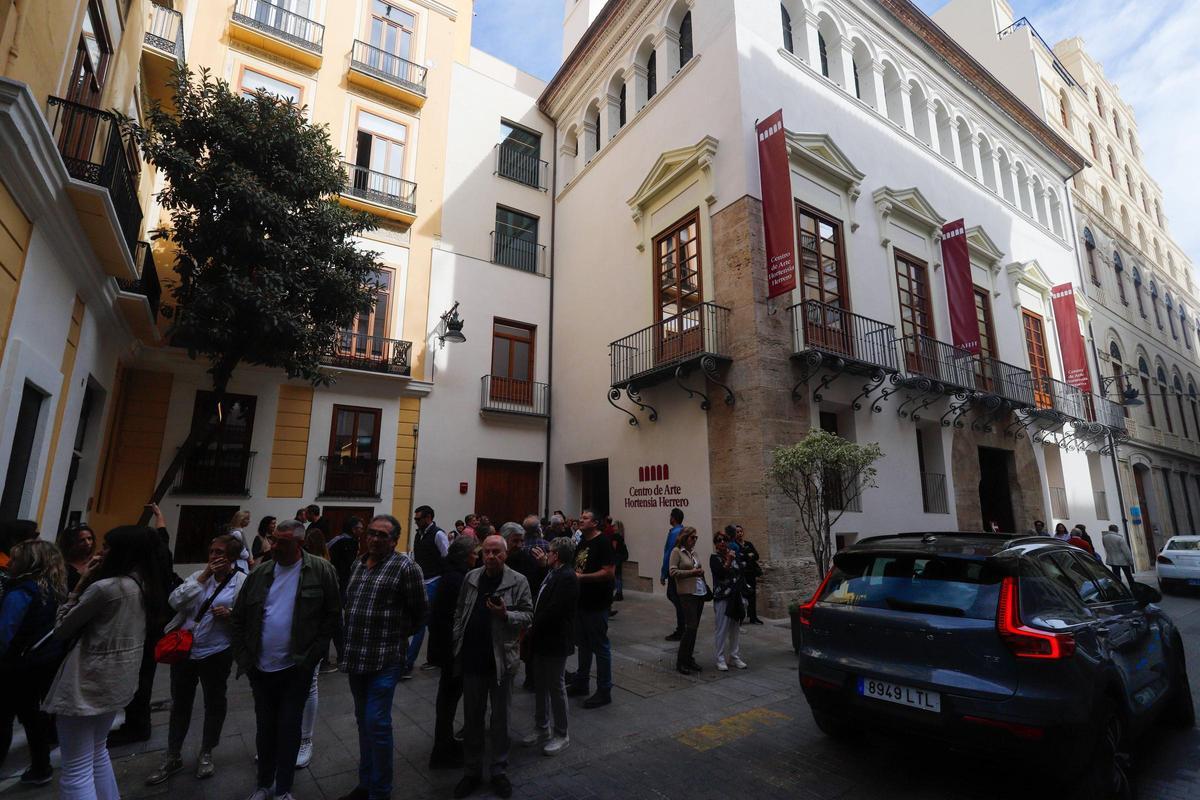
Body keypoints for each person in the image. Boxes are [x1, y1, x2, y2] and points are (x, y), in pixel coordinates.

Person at [44, 525, 167, 800]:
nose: (100, 551)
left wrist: (79, 585)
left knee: (75, 769)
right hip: (117, 680)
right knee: (98, 752)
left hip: (85, 682)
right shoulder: (145, 586)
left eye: (107, 546)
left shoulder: (106, 588)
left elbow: (62, 628)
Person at [231, 518, 340, 800]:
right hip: (260, 667)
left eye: (282, 542)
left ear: (300, 544)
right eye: (274, 539)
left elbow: (331, 616)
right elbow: (240, 617)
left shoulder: (321, 570)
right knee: (265, 727)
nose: (274, 546)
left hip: (296, 666)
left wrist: (313, 655)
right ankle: (263, 784)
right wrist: (245, 657)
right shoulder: (261, 572)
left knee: (289, 726)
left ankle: (283, 789)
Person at [338, 515, 428, 800]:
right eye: (372, 533)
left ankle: (380, 791)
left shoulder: (406, 567)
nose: (375, 539)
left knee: (377, 722)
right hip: (356, 658)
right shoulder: (358, 564)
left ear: (394, 541)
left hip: (385, 658)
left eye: (382, 536)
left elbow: (420, 613)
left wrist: (396, 636)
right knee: (364, 722)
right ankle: (365, 784)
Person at [146, 534, 247, 786]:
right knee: (180, 703)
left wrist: (231, 614)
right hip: (185, 651)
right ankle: (173, 754)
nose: (214, 557)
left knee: (214, 702)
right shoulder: (197, 577)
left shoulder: (242, 582)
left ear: (232, 557)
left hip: (217, 651)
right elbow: (175, 601)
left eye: (220, 552)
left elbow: (248, 615)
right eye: (212, 551)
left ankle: (207, 751)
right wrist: (202, 578)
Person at [451, 535, 533, 799]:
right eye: (486, 551)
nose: (491, 556)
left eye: (496, 552)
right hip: (473, 659)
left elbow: (529, 615)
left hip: (501, 661)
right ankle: (472, 771)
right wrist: (457, 637)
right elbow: (460, 609)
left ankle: (498, 770)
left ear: (505, 554)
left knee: (501, 720)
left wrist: (505, 615)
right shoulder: (471, 578)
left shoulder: (518, 581)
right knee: (472, 719)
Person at [0, 540, 67, 786]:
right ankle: (41, 765)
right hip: (39, 661)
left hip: (14, 665)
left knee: (5, 716)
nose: (9, 563)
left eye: (15, 559)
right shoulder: (51, 588)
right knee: (31, 715)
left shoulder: (20, 592)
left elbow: (4, 633)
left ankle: (40, 766)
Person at [109, 503, 175, 747]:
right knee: (143, 678)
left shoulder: (129, 579)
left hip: (138, 632)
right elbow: (163, 536)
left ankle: (137, 725)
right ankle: (137, 722)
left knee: (138, 680)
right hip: (154, 628)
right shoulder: (161, 558)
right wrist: (159, 515)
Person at [523, 536, 579, 756]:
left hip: (555, 638)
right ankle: (541, 726)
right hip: (541, 637)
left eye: (550, 551)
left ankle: (562, 733)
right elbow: (541, 597)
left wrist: (532, 625)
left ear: (556, 555)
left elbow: (555, 610)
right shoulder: (553, 572)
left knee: (556, 685)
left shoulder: (567, 577)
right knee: (540, 683)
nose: (547, 553)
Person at [428, 537, 477, 770]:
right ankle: (442, 748)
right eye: (474, 554)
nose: (476, 557)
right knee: (448, 698)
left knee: (447, 697)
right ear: (465, 556)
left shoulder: (451, 575)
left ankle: (444, 742)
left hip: (446, 647)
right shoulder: (457, 579)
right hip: (452, 649)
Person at [569, 510, 615, 708]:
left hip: (597, 602)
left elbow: (609, 572)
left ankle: (604, 690)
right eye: (581, 517)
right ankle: (581, 682)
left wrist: (582, 578)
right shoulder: (582, 542)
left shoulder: (602, 542)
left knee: (600, 646)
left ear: (595, 523)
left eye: (586, 518)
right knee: (584, 644)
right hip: (582, 601)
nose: (581, 520)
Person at [404, 504, 448, 678]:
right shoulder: (419, 534)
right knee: (429, 622)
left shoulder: (438, 534)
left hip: (434, 581)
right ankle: (435, 657)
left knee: (421, 621)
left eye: (418, 518)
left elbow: (446, 556)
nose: (415, 521)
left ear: (428, 518)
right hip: (422, 580)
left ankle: (408, 662)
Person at [668, 527, 706, 675]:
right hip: (686, 593)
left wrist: (700, 574)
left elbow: (699, 570)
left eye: (696, 537)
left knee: (694, 628)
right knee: (689, 627)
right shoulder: (676, 552)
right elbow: (672, 572)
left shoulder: (694, 553)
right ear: (684, 538)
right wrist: (693, 572)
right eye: (692, 537)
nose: (694, 540)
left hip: (699, 592)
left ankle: (689, 658)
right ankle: (681, 661)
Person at [327, 516, 363, 666]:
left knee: (338, 620)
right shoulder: (348, 542)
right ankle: (342, 655)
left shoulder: (338, 539)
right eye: (361, 528)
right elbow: (349, 565)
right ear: (354, 529)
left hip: (338, 583)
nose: (363, 530)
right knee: (338, 621)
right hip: (339, 584)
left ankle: (340, 654)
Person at [710, 532, 748, 671]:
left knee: (735, 628)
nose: (722, 542)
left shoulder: (733, 554)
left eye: (724, 540)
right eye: (719, 540)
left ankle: (734, 656)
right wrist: (729, 561)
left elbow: (740, 572)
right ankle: (720, 658)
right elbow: (721, 573)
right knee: (722, 628)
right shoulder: (714, 558)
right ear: (715, 543)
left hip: (735, 596)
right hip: (722, 597)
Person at [660, 508, 686, 642]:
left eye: (670, 516)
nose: (669, 518)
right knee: (677, 598)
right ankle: (683, 626)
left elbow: (668, 554)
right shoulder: (684, 531)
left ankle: (681, 628)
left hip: (673, 570)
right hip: (682, 570)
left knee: (673, 596)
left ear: (674, 518)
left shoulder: (674, 533)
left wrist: (663, 573)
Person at [734, 525, 763, 624]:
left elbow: (756, 555)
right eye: (737, 532)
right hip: (742, 574)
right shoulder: (734, 545)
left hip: (751, 573)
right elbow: (739, 557)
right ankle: (740, 618)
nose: (739, 533)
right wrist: (748, 555)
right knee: (742, 596)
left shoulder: (748, 544)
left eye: (741, 531)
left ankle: (753, 617)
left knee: (752, 595)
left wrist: (746, 556)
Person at [56, 523, 96, 592]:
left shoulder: (95, 561)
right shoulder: (61, 565)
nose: (88, 543)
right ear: (71, 543)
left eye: (89, 538)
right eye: (82, 540)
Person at [611, 520, 629, 602]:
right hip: (620, 557)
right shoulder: (621, 536)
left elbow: (614, 548)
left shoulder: (615, 536)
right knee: (619, 576)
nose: (613, 526)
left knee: (616, 576)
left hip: (616, 557)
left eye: (614, 525)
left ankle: (618, 593)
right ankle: (619, 593)